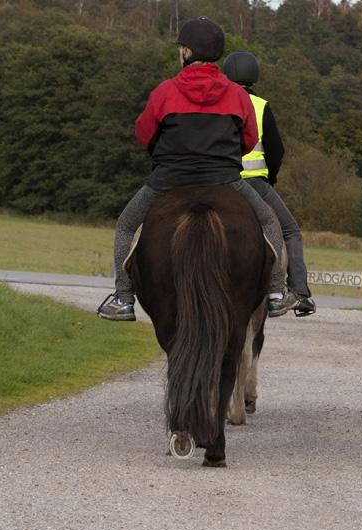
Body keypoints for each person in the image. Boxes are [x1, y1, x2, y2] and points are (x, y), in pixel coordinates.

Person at [97, 17, 298, 321]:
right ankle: (276, 294)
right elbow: (248, 140)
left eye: (181, 48)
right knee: (270, 222)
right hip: (225, 180)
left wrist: (165, 158)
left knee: (126, 225)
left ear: (187, 52)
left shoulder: (165, 91)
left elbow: (145, 134)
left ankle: (123, 298)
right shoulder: (237, 95)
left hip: (169, 179)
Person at [222, 50, 315, 317]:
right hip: (255, 184)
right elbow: (276, 151)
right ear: (255, 76)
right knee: (290, 231)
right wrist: (270, 177)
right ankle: (298, 292)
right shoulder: (261, 106)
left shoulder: (216, 101)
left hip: (219, 180)